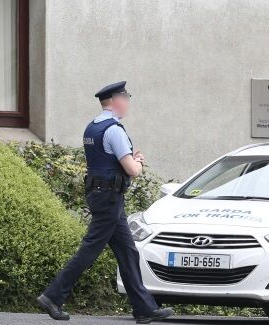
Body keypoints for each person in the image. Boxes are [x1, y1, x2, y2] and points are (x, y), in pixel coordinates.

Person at [37, 81, 173, 324]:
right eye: (127, 97)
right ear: (116, 100)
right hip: (109, 197)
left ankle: (144, 308)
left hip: (102, 195)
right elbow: (132, 169)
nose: (128, 101)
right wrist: (138, 161)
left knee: (128, 252)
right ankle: (53, 296)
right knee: (89, 249)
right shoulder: (114, 130)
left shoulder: (92, 128)